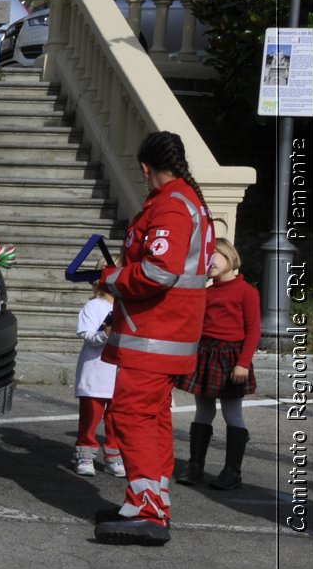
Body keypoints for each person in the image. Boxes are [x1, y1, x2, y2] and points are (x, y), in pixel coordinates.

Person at [95, 131, 214, 547]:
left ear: (145, 168)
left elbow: (158, 272)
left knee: (131, 416)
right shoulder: (185, 202)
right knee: (154, 419)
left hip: (155, 336)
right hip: (167, 336)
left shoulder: (171, 207)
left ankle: (147, 510)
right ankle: (149, 502)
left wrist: (111, 278)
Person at [174, 237, 261, 491]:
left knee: (232, 412)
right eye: (206, 257)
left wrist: (243, 364)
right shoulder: (206, 291)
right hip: (205, 355)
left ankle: (232, 471)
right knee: (203, 410)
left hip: (231, 358)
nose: (209, 261)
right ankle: (195, 466)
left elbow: (253, 330)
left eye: (215, 255)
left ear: (229, 257)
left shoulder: (246, 291)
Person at [72, 275, 123, 478]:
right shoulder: (94, 306)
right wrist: (105, 334)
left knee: (116, 419)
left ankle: (113, 456)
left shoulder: (127, 307)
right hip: (96, 371)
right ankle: (85, 454)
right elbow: (86, 333)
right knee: (90, 417)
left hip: (119, 371)